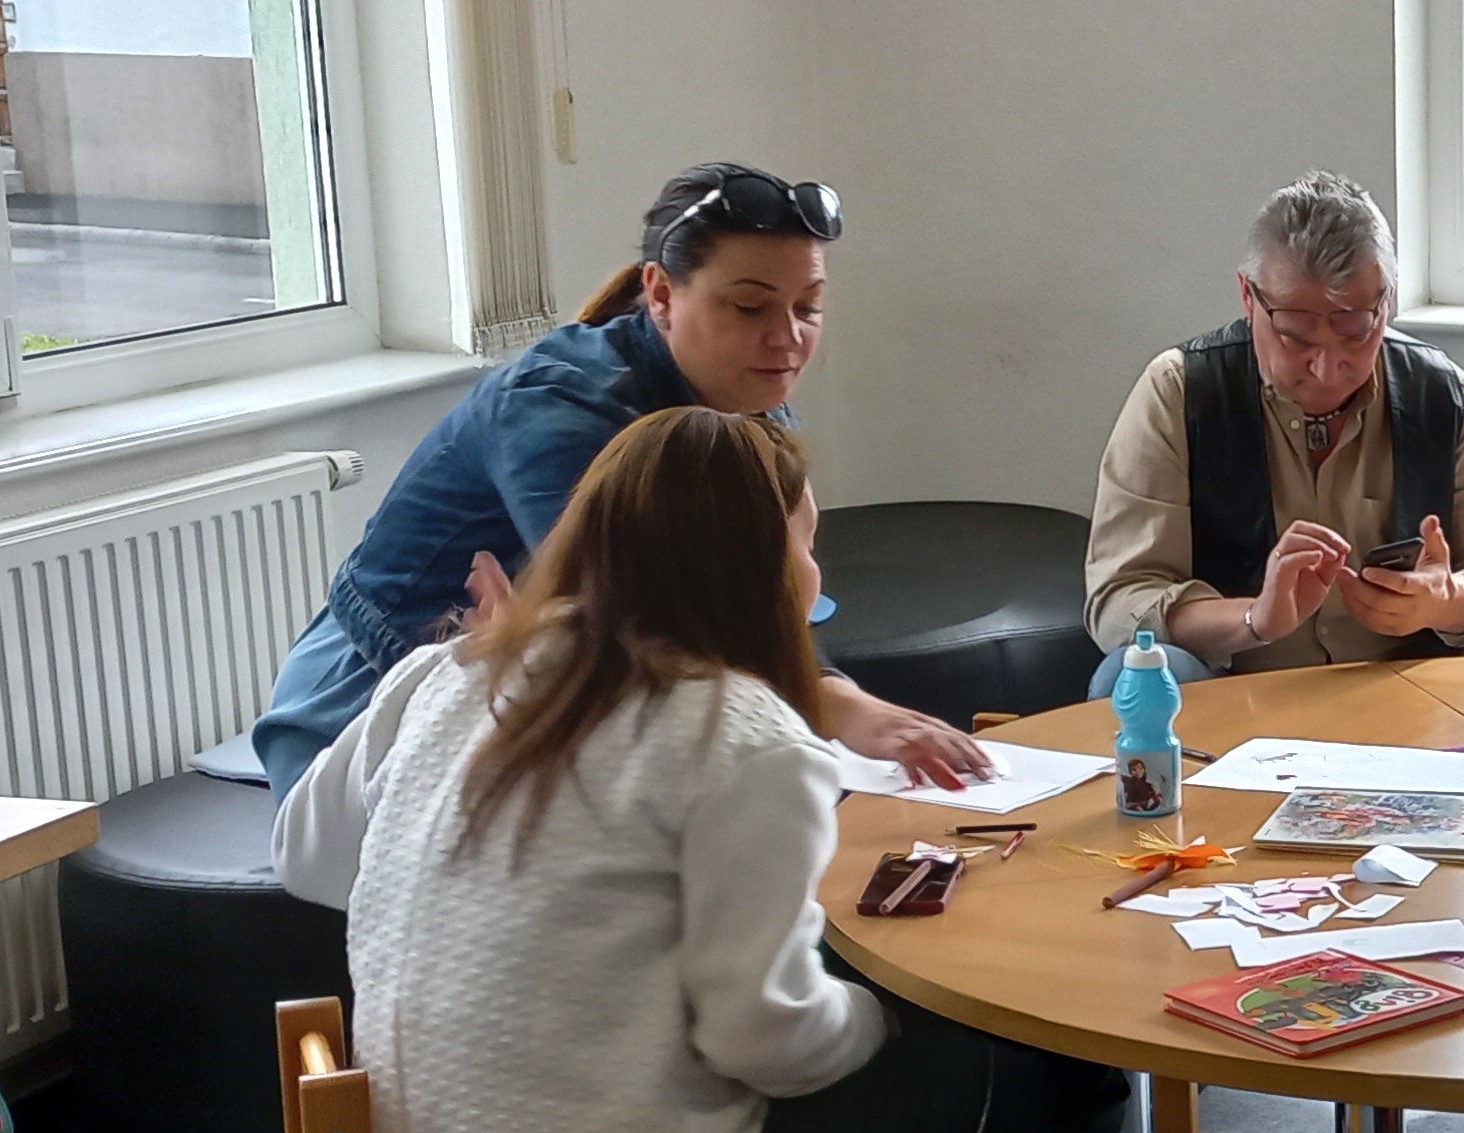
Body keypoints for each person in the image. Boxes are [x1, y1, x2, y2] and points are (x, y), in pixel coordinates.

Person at [274, 407, 1129, 1133]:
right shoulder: (741, 731)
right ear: (759, 567)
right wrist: (889, 1015)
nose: (818, 575)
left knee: (865, 1015)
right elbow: (765, 1039)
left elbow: (308, 859)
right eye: (808, 546)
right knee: (1052, 1077)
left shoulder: (447, 670)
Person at [249, 161, 986, 800]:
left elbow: (753, 599)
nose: (788, 337)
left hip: (560, 695)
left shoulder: (743, 391)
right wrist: (827, 703)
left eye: (808, 306)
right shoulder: (559, 407)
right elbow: (636, 623)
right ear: (660, 294)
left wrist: (829, 693)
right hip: (373, 712)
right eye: (750, 306)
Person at [1086, 171, 1464, 695]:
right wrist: (1254, 619)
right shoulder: (1181, 392)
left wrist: (1447, 601)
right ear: (1248, 298)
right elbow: (1121, 600)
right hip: (1235, 690)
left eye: (1355, 331)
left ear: (1386, 303)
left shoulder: (1440, 393)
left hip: (1413, 688)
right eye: (1295, 334)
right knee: (1131, 679)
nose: (1327, 369)